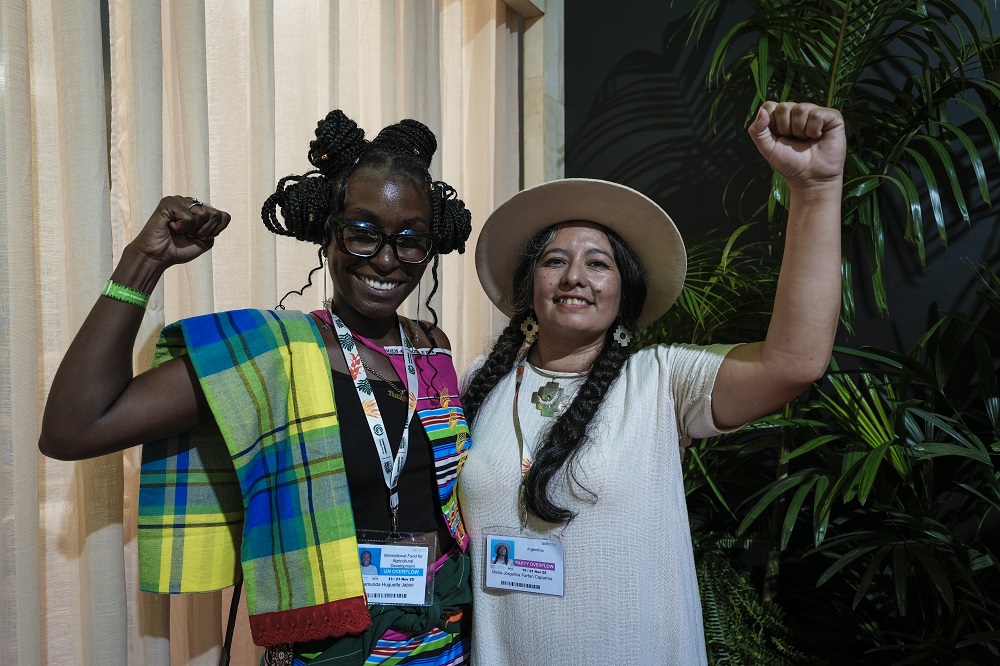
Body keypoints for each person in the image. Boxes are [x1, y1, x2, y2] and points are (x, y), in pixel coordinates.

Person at [38, 110, 475, 665]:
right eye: (362, 233)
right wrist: (142, 263)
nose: (387, 260)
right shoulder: (270, 353)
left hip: (441, 644)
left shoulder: (431, 349)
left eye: (410, 240)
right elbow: (74, 429)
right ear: (327, 234)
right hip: (328, 650)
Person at [458, 101, 846, 665]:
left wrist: (816, 190)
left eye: (598, 263)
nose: (574, 277)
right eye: (554, 260)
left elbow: (796, 362)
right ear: (528, 285)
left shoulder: (662, 381)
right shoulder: (475, 383)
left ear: (624, 291)